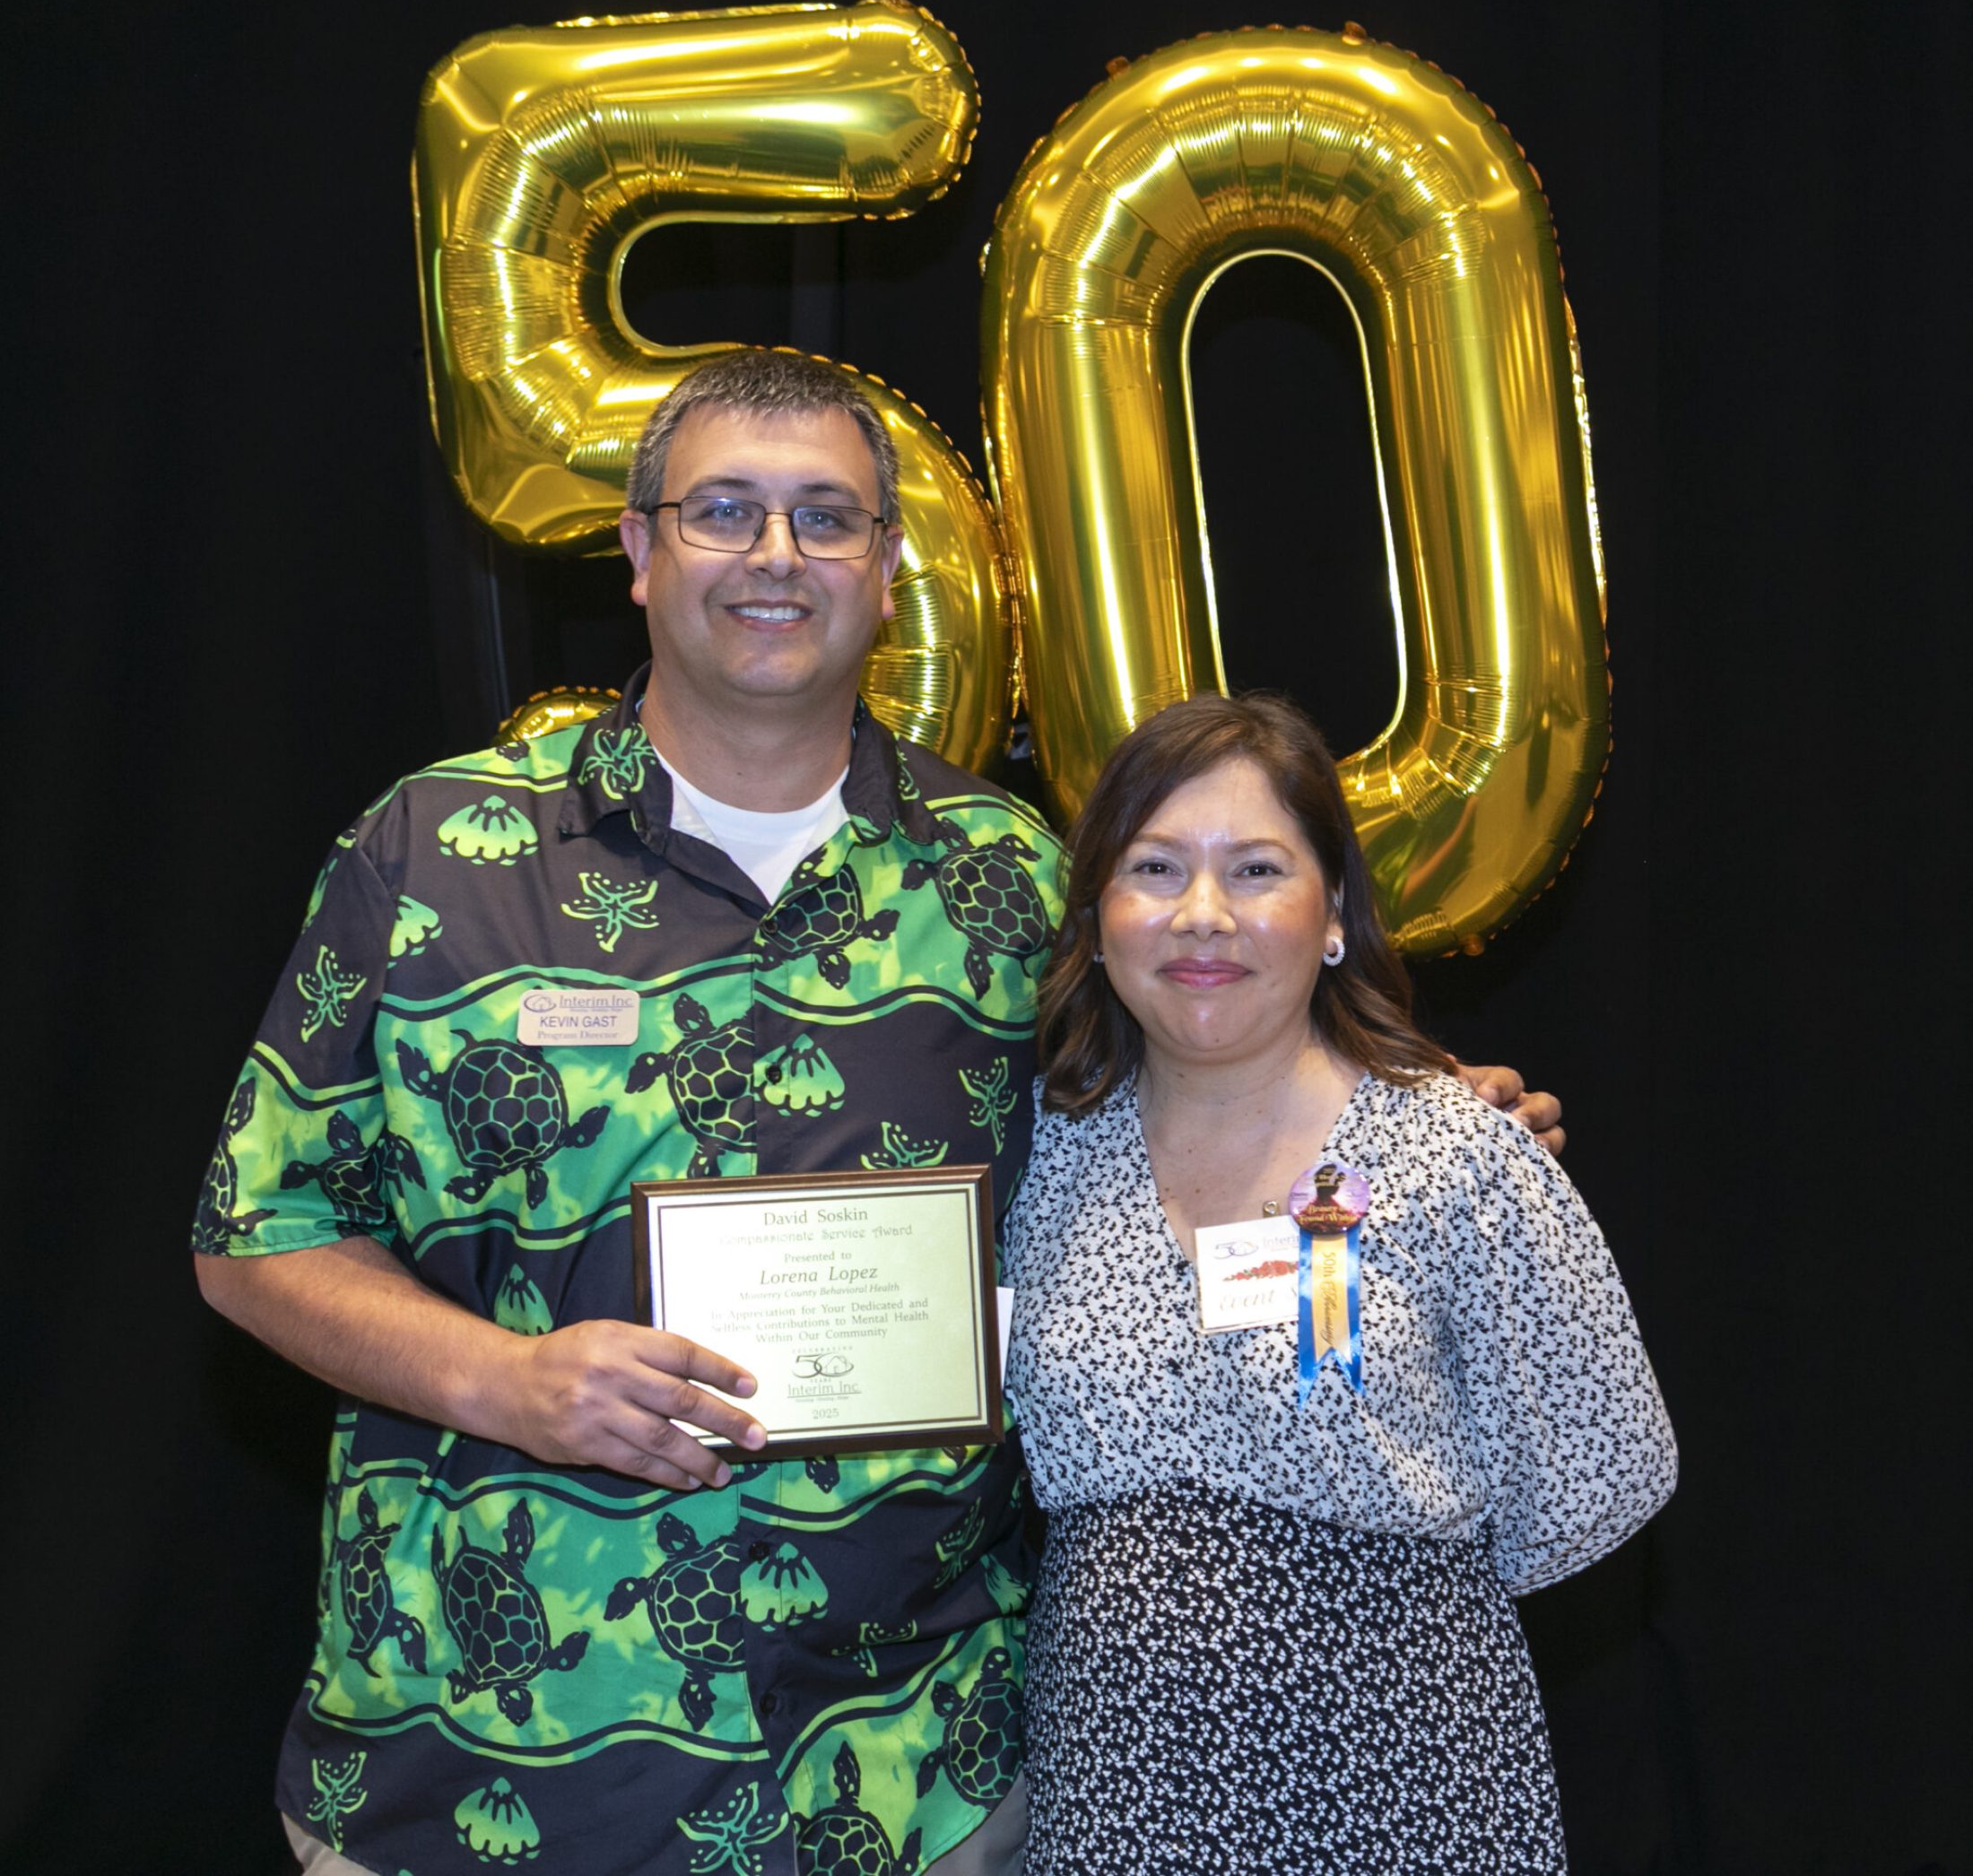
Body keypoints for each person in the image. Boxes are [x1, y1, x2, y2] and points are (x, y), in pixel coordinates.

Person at [194, 350, 1565, 1875]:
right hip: (488, 1774)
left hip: (912, 1779)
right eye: (726, 511)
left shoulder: (1014, 882)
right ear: (640, 554)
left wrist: (1407, 1131)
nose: (778, 557)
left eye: (827, 520)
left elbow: (1201, 1111)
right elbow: (257, 1238)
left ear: (890, 572)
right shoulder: (438, 851)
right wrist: (512, 1384)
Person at [1002, 693, 1674, 1874]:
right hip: (1113, 1799)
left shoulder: (1456, 1155)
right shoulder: (1042, 1155)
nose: (1201, 915)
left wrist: (1368, 1606)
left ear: (1330, 916)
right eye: (1155, 867)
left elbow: (1598, 1471)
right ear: (1099, 916)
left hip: (1405, 1790)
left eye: (1255, 868)